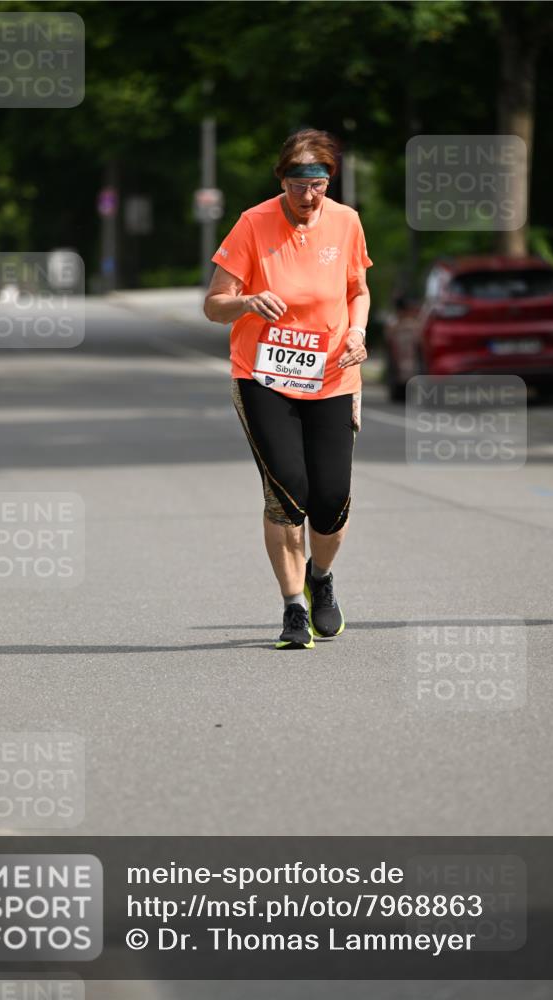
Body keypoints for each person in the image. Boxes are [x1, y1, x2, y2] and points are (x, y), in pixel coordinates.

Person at [204, 128, 372, 650]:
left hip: (331, 376)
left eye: (318, 184)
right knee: (287, 492)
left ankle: (320, 577)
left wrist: (358, 333)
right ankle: (293, 607)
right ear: (282, 180)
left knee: (331, 499)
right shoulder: (254, 224)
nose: (308, 196)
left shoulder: (346, 222)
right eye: (299, 184)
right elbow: (214, 304)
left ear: (329, 182)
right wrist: (249, 302)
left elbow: (358, 290)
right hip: (263, 377)